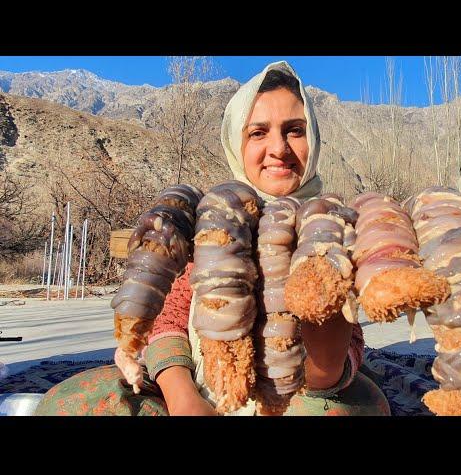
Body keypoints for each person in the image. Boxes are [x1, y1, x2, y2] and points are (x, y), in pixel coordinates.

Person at [35, 61, 390, 416]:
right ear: (236, 142)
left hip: (301, 395)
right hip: (204, 388)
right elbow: (171, 318)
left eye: (294, 130)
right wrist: (183, 398)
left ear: (312, 137)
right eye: (258, 132)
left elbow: (332, 369)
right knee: (72, 402)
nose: (279, 148)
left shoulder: (335, 226)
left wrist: (321, 314)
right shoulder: (213, 217)